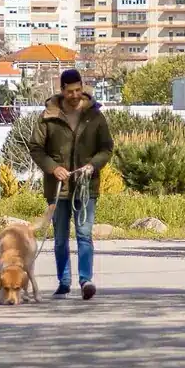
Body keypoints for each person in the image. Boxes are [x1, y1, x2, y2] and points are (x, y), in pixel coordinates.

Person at [28, 68, 114, 300]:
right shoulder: (48, 115)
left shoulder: (95, 115)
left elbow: (107, 148)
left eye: (78, 90)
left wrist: (93, 165)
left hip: (86, 186)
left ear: (82, 87)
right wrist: (52, 168)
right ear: (62, 90)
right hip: (58, 188)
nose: (75, 95)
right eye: (70, 91)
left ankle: (86, 280)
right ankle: (64, 282)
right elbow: (35, 147)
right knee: (60, 237)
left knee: (84, 235)